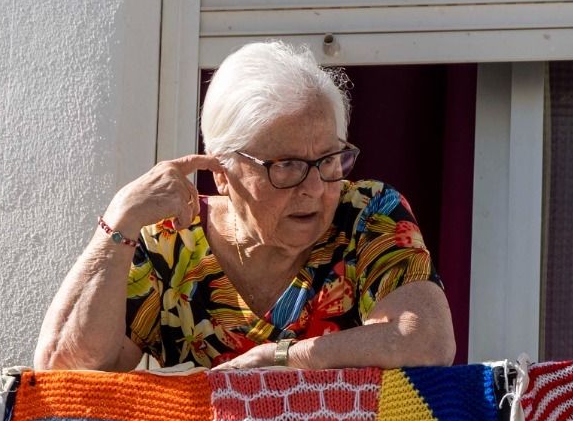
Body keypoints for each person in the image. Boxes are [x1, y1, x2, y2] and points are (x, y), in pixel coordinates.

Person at [33, 41, 455, 371]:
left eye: (327, 160)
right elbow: (65, 368)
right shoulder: (169, 240)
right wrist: (118, 222)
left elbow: (426, 340)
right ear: (222, 171)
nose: (314, 187)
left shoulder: (369, 213)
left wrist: (283, 359)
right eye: (287, 166)